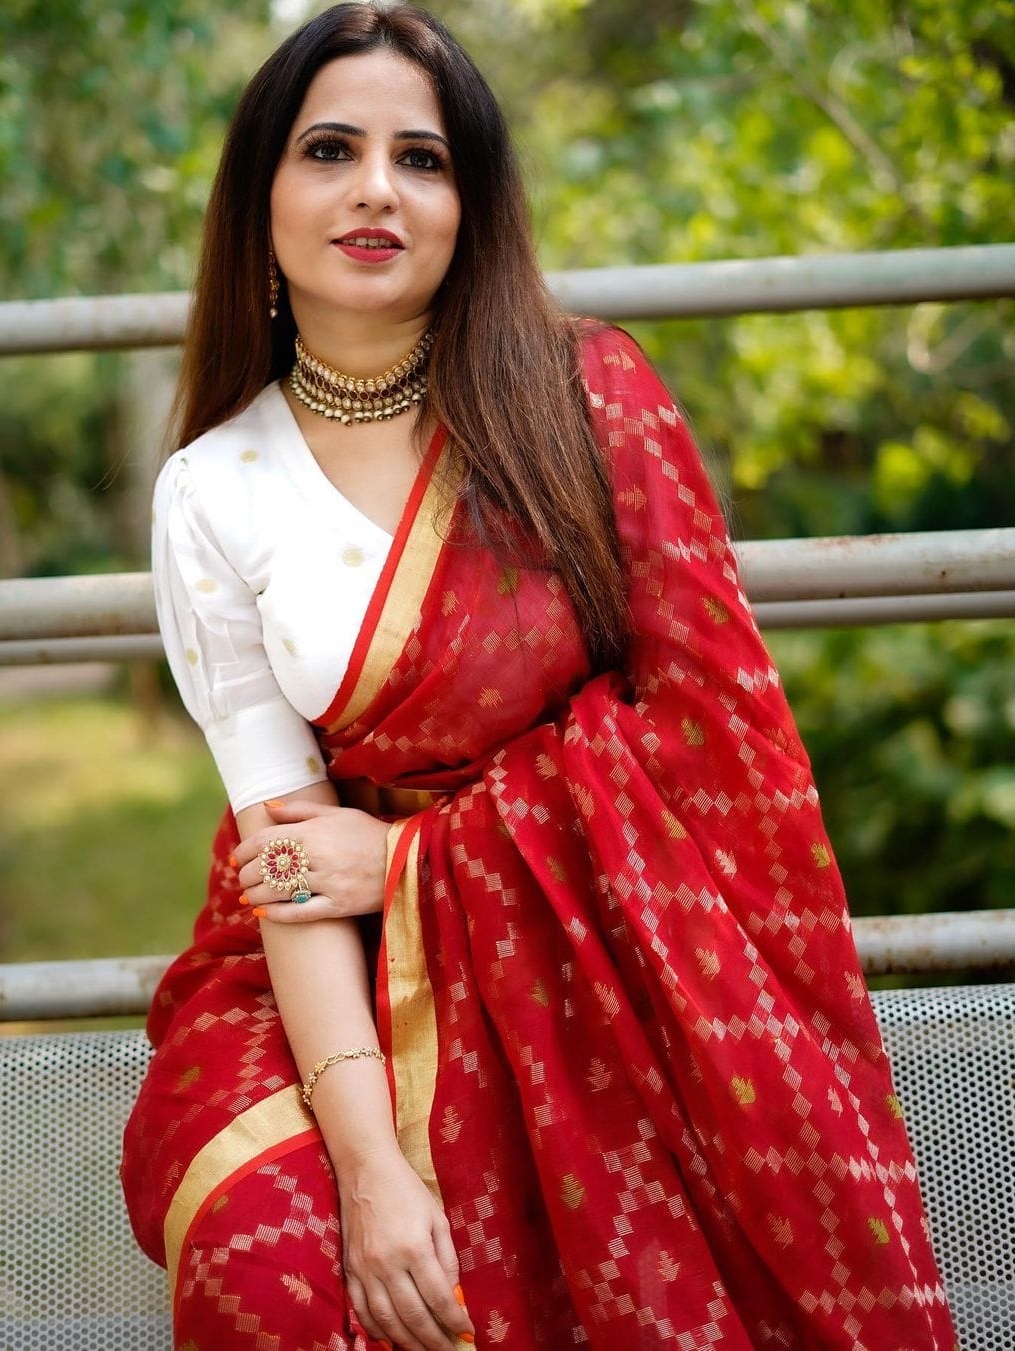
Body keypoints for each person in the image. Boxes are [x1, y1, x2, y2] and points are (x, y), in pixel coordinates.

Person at [121, 5, 958, 1348]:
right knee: (268, 1262)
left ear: (472, 203)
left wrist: (413, 862)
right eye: (331, 149)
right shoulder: (213, 489)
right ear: (260, 197)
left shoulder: (586, 400)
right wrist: (374, 1170)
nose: (378, 188)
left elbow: (713, 734)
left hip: (616, 951)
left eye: (426, 157)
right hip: (329, 971)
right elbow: (288, 863)